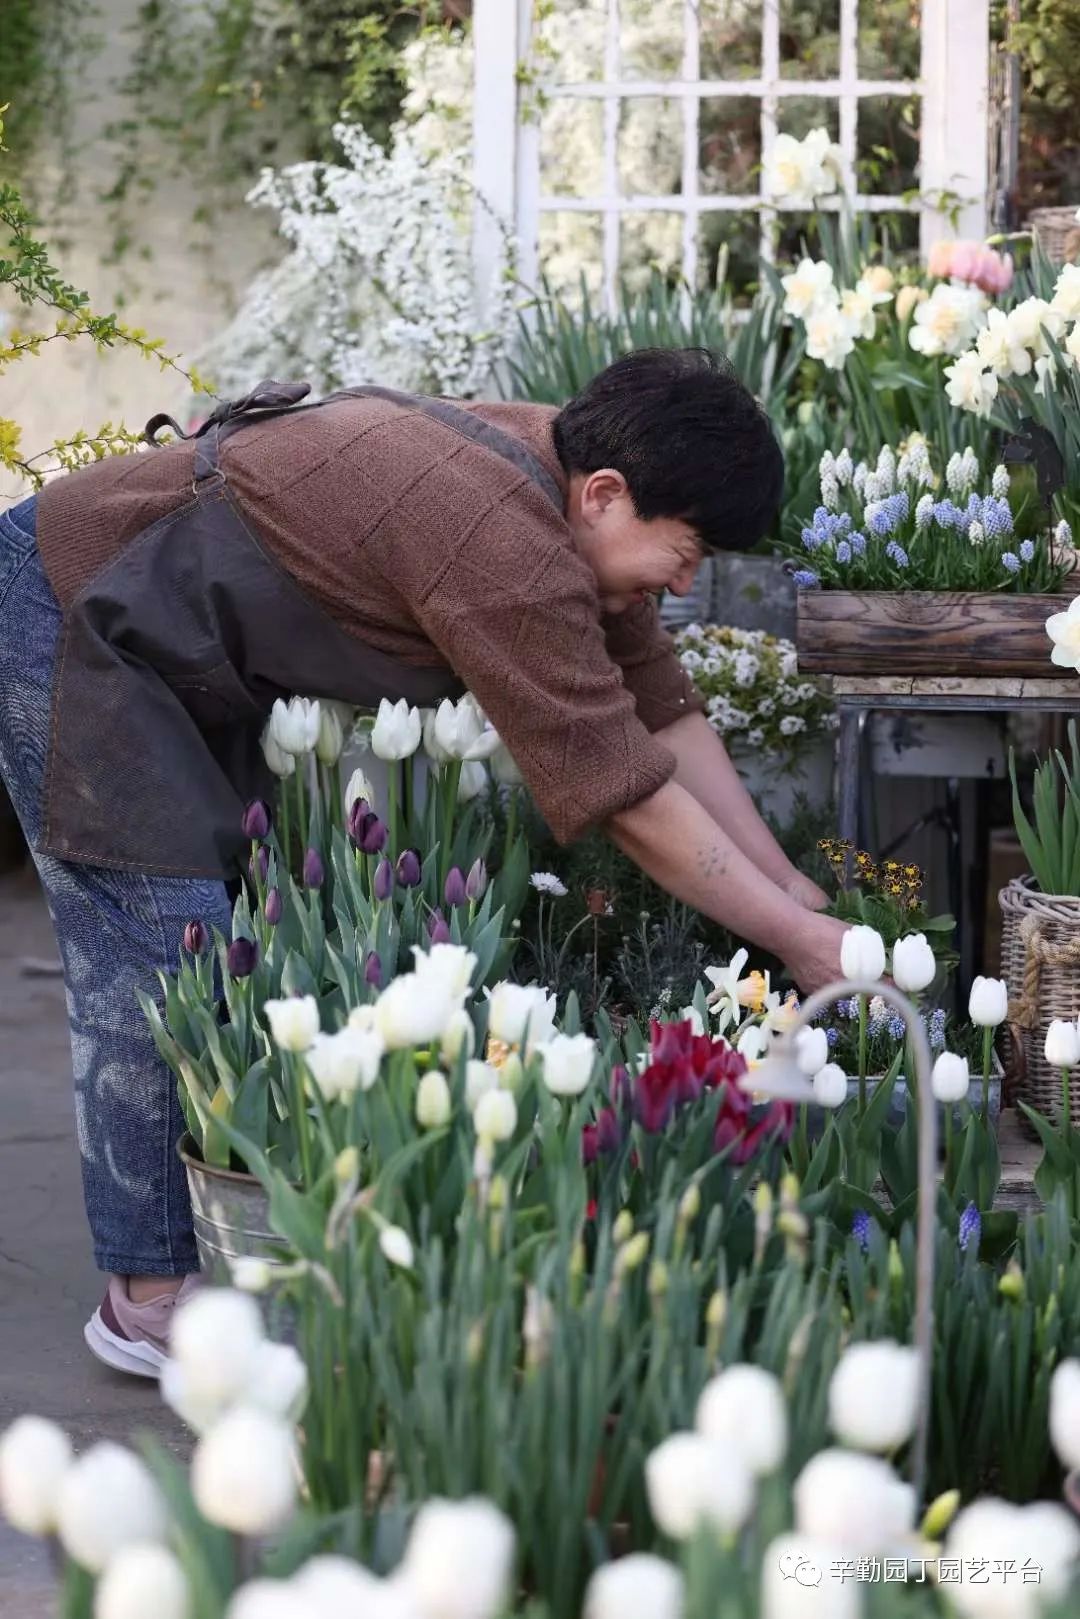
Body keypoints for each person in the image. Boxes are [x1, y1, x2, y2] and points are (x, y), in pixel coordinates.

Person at [0, 347, 847, 1378]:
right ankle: (145, 1298)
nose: (685, 578)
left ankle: (192, 1257)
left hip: (175, 653)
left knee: (203, 932)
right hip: (67, 604)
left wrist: (793, 891)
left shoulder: (569, 482)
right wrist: (799, 937)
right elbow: (618, 789)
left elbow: (663, 717)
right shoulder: (502, 535)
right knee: (157, 938)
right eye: (689, 547)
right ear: (609, 493)